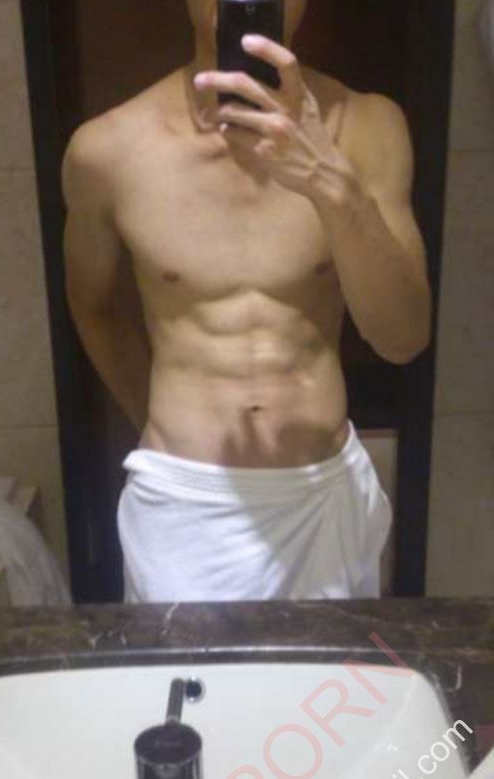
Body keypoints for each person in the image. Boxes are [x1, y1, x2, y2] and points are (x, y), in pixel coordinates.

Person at [62, 0, 431, 602]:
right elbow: (94, 306)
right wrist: (162, 426)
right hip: (182, 508)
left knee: (329, 668)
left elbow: (403, 337)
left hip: (323, 499)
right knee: (181, 669)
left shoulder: (368, 128)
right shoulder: (107, 151)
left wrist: (330, 184)